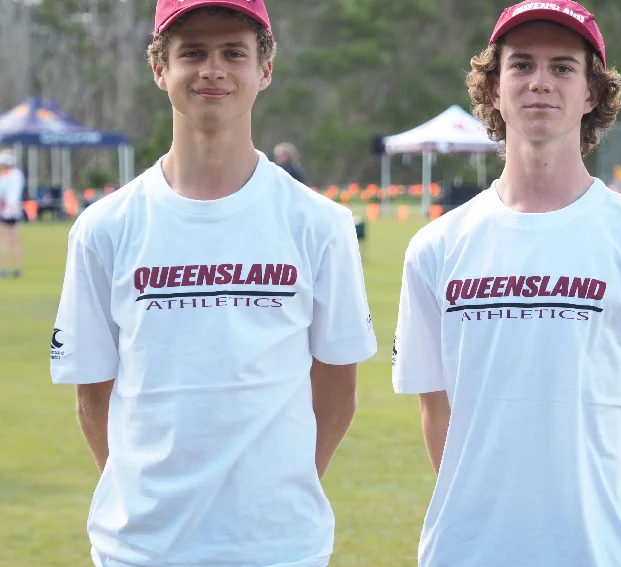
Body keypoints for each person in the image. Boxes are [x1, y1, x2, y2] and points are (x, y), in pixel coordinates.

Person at [50, 2, 377, 567]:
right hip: (140, 549)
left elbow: (337, 390)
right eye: (192, 53)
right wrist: (148, 505)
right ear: (160, 69)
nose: (213, 69)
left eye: (234, 52)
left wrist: (279, 493)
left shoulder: (319, 224)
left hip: (278, 547)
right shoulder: (105, 229)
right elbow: (93, 394)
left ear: (265, 70)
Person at [392, 2, 621, 566]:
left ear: (591, 94)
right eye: (521, 65)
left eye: (562, 67)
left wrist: (620, 535)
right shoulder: (435, 248)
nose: (540, 82)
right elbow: (438, 415)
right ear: (494, 88)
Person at [0, 151, 25, 278]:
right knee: (15, 240)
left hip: (5, 209)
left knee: (4, 238)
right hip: (15, 208)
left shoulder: (5, 176)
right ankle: (17, 269)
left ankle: (3, 269)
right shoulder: (18, 174)